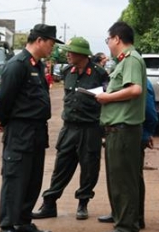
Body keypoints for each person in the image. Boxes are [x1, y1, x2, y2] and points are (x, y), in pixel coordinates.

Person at [0, 24, 62, 232]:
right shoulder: (17, 65)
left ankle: (23, 221)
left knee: (32, 178)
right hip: (20, 130)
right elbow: (4, 99)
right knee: (15, 177)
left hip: (36, 130)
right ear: (40, 40)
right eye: (51, 43)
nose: (52, 47)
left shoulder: (38, 65)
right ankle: (7, 226)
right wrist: (3, 120)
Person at [31, 37, 109, 221]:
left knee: (89, 168)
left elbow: (107, 98)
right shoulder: (67, 71)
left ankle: (83, 203)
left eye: (71, 52)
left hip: (90, 128)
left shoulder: (99, 74)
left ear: (81, 55)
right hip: (69, 128)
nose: (67, 55)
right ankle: (49, 203)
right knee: (61, 167)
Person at [95, 21, 147, 232]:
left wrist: (106, 97)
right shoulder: (125, 61)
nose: (108, 44)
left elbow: (135, 89)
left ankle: (127, 230)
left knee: (124, 181)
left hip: (124, 130)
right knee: (121, 179)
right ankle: (123, 221)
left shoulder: (132, 59)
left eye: (108, 40)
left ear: (116, 38)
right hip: (119, 129)